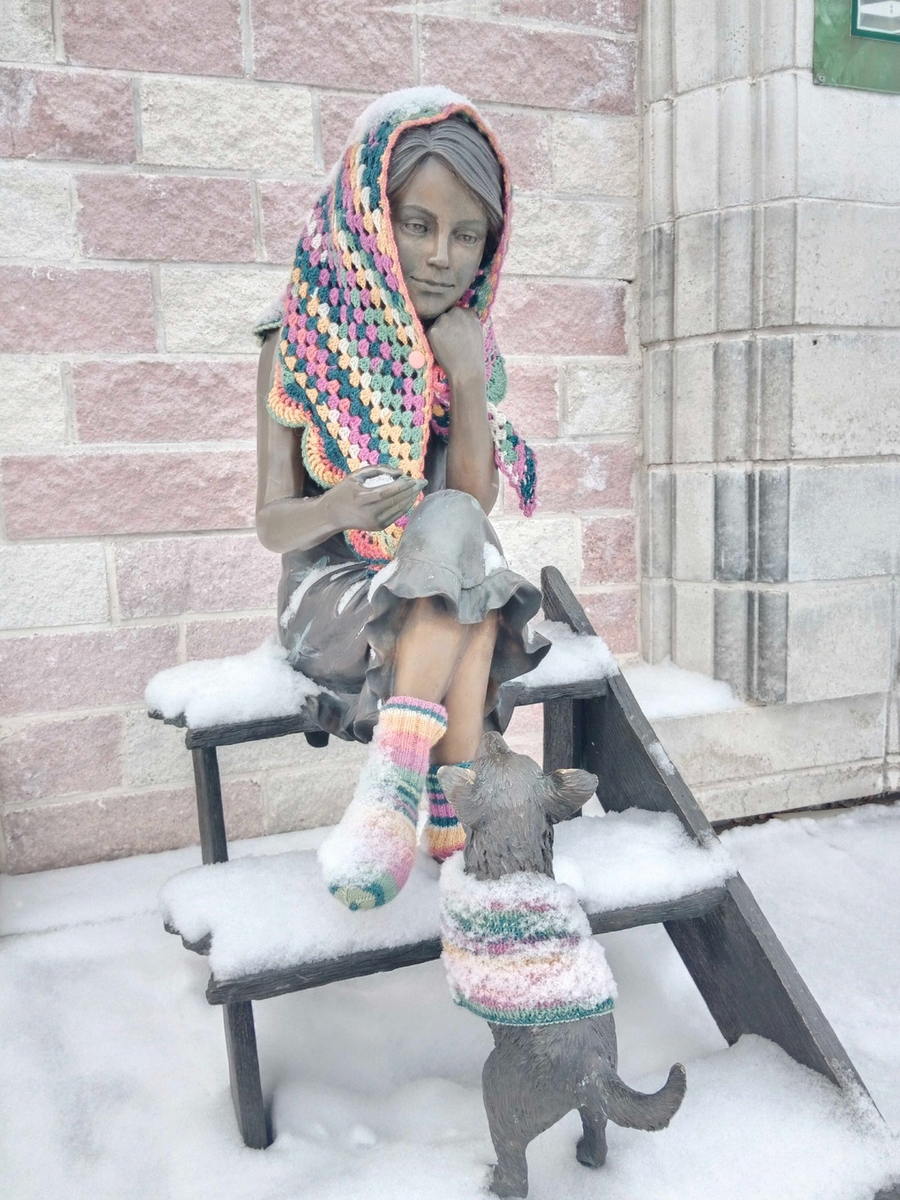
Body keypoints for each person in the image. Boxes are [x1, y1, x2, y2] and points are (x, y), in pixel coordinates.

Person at [254, 87, 547, 911]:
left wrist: (464, 376)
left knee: (459, 537)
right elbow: (272, 523)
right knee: (472, 590)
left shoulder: (466, 343)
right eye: (418, 224)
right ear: (371, 218)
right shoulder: (300, 338)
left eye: (467, 235)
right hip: (335, 594)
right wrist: (337, 509)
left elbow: (471, 502)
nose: (441, 256)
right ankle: (452, 811)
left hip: (438, 584)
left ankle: (392, 795)